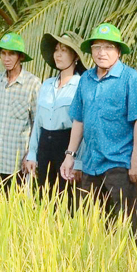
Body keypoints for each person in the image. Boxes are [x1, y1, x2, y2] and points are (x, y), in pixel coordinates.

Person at [60, 23, 137, 226]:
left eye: (108, 47)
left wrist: (136, 160)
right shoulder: (86, 79)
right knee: (91, 225)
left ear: (118, 51)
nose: (102, 52)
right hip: (91, 164)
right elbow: (79, 119)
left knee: (124, 227)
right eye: (97, 47)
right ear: (90, 51)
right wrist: (70, 156)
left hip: (119, 164)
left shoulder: (131, 79)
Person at [24, 32, 87, 192]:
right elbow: (38, 121)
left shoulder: (82, 84)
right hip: (45, 145)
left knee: (67, 199)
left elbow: (83, 126)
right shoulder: (47, 84)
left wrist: (78, 161)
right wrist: (32, 153)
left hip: (66, 144)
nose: (58, 54)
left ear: (75, 56)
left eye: (64, 50)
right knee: (44, 196)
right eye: (56, 49)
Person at [0, 32, 42, 186]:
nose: (6, 58)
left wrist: (30, 154)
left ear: (20, 57)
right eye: (3, 53)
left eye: (11, 54)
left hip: (17, 163)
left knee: (17, 208)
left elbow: (37, 123)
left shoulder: (32, 83)